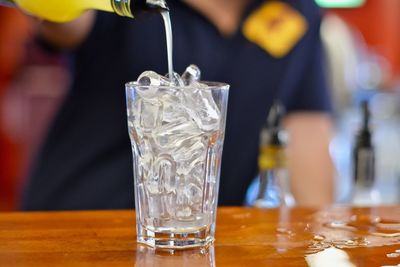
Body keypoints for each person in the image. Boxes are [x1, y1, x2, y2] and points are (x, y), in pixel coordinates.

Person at [22, 0, 334, 210]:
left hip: (194, 242)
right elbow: (63, 22)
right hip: (77, 220)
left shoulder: (296, 12)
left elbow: (307, 136)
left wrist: (321, 242)